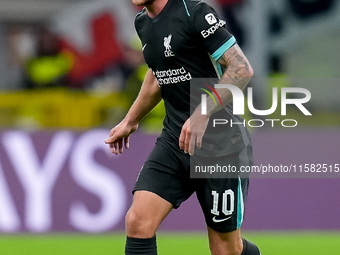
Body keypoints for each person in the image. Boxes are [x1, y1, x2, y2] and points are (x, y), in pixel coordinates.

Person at [105, 0, 261, 254]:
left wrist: (203, 112)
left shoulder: (195, 12)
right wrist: (130, 120)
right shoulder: (142, 23)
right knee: (138, 221)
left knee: (225, 249)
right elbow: (158, 73)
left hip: (220, 145)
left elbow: (241, 68)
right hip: (174, 141)